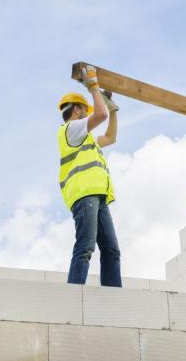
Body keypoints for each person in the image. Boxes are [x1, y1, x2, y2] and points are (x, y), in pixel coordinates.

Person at [57, 65, 121, 287]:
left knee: (112, 250)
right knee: (85, 246)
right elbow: (100, 114)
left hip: (98, 196)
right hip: (85, 195)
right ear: (76, 110)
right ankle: (74, 295)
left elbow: (111, 137)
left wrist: (113, 110)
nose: (88, 112)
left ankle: (114, 296)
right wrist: (93, 86)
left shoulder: (86, 138)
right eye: (85, 109)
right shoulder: (71, 130)